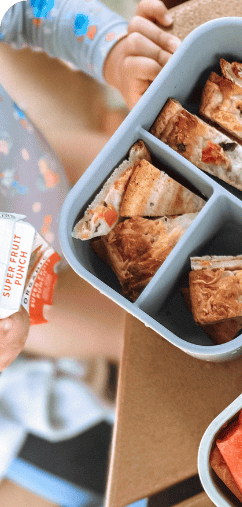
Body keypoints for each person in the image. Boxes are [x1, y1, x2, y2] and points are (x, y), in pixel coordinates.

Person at [0, 0, 181, 370]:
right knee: (154, 345)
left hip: (48, 175)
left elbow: (31, 11)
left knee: (173, 186)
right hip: (36, 294)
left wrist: (113, 55)